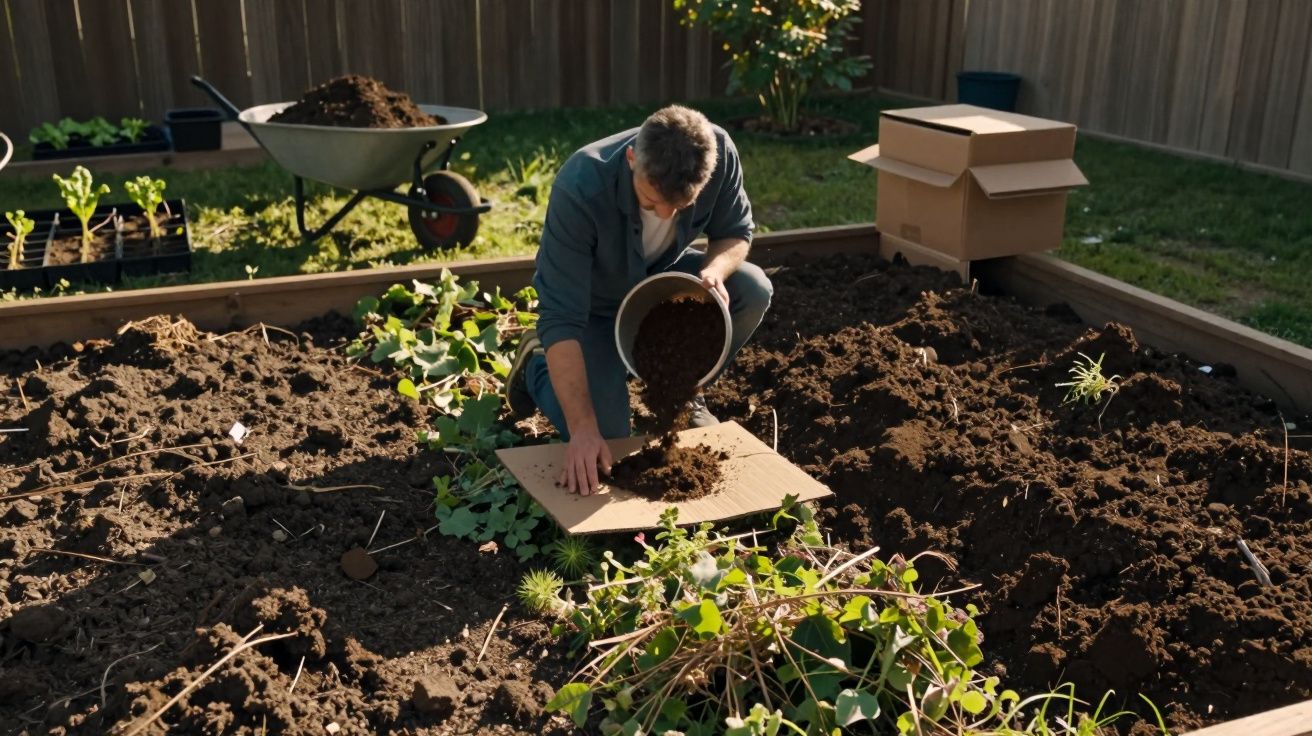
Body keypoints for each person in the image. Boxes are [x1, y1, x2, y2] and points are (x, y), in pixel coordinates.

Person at [503, 105, 772, 496]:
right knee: (608, 440)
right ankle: (536, 366)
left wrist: (714, 271)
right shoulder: (580, 187)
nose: (665, 213)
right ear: (632, 159)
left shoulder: (720, 152)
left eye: (680, 207)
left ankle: (684, 393)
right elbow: (562, 318)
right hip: (593, 307)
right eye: (650, 202)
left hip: (659, 283)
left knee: (752, 288)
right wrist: (582, 430)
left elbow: (736, 232)